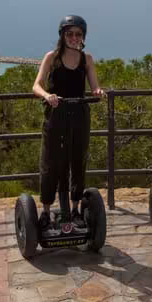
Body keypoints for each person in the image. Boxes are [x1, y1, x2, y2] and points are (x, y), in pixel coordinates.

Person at [32, 15, 106, 230]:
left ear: (83, 37)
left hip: (79, 115)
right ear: (63, 36)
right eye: (70, 34)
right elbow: (36, 85)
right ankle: (46, 211)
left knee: (78, 161)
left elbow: (94, 87)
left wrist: (98, 92)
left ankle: (74, 209)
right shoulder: (52, 57)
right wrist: (47, 95)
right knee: (51, 163)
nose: (74, 37)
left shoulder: (87, 59)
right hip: (56, 116)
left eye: (78, 34)